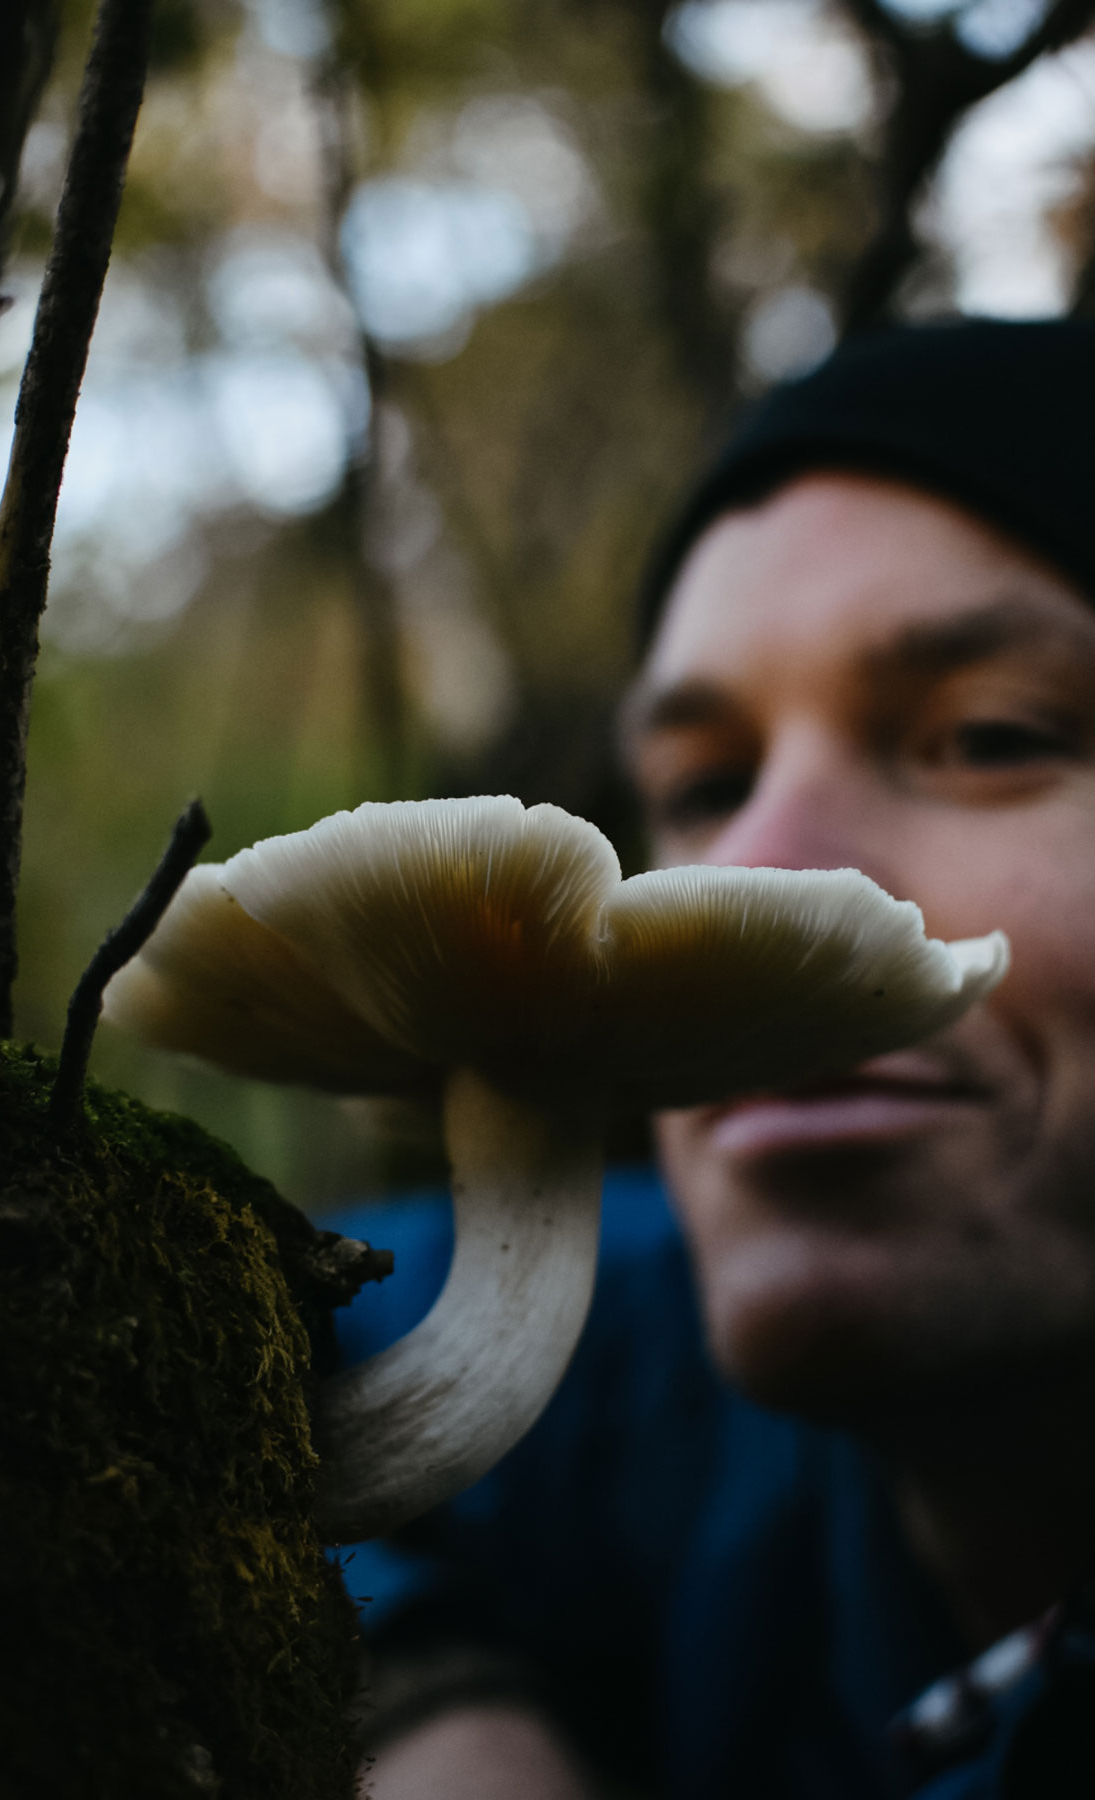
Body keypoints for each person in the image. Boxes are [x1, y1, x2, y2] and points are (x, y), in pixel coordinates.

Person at [327, 317, 1095, 1799]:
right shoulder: (636, 1368)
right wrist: (416, 1684)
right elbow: (269, 1325)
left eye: (992, 736)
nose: (746, 878)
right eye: (704, 785)